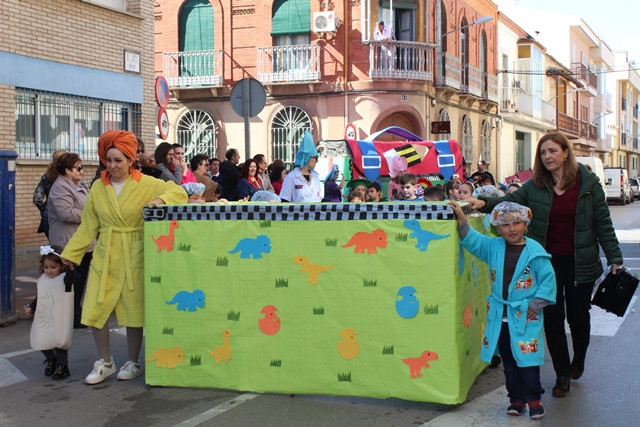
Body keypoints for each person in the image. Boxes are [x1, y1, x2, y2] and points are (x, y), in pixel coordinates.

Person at [466, 132, 623, 398]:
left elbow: (602, 223)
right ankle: (562, 374)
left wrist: (615, 257)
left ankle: (579, 359)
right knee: (552, 318)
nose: (547, 156)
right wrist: (485, 203)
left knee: (578, 317)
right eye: (542, 153)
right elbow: (510, 201)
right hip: (545, 261)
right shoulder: (536, 185)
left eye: (552, 151)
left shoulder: (589, 183)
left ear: (565, 153)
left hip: (580, 261)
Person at [61, 130, 188, 385]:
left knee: (133, 311)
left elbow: (180, 193)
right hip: (106, 253)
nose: (112, 165)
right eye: (108, 160)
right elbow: (88, 226)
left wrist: (160, 199)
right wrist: (71, 254)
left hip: (135, 252)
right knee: (95, 308)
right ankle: (105, 361)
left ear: (131, 161)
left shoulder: (148, 183)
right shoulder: (98, 187)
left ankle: (133, 361)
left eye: (118, 160)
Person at [449, 201, 556, 420]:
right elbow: (473, 240)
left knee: (528, 360)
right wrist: (461, 218)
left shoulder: (535, 252)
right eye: (506, 225)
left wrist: (534, 306)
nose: (512, 228)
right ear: (497, 227)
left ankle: (534, 400)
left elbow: (548, 281)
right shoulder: (494, 247)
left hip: (526, 316)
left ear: (526, 223)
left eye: (517, 222)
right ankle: (515, 399)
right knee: (508, 361)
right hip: (501, 316)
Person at [48, 152, 93, 329]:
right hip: (67, 241)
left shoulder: (76, 185)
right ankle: (69, 316)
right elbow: (65, 213)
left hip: (82, 241)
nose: (81, 171)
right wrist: (90, 216)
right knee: (70, 279)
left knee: (80, 279)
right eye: (78, 168)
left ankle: (76, 313)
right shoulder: (60, 187)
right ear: (67, 170)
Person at [28, 245, 76, 380]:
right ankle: (51, 359)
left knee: (59, 342)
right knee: (40, 339)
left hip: (60, 316)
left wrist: (71, 267)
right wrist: (31, 307)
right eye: (46, 267)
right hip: (44, 316)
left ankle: (62, 366)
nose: (49, 271)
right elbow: (40, 296)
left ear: (62, 266)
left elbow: (71, 279)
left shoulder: (65, 279)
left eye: (53, 267)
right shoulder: (43, 280)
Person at [33, 149, 68, 239]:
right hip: (67, 214)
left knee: (53, 245)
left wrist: (44, 210)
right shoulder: (71, 176)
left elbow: (37, 198)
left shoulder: (46, 176)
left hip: (49, 214)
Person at [280, 131, 323, 202]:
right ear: (307, 158)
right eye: (315, 158)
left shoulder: (315, 177)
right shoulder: (291, 177)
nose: (316, 161)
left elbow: (318, 197)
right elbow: (285, 199)